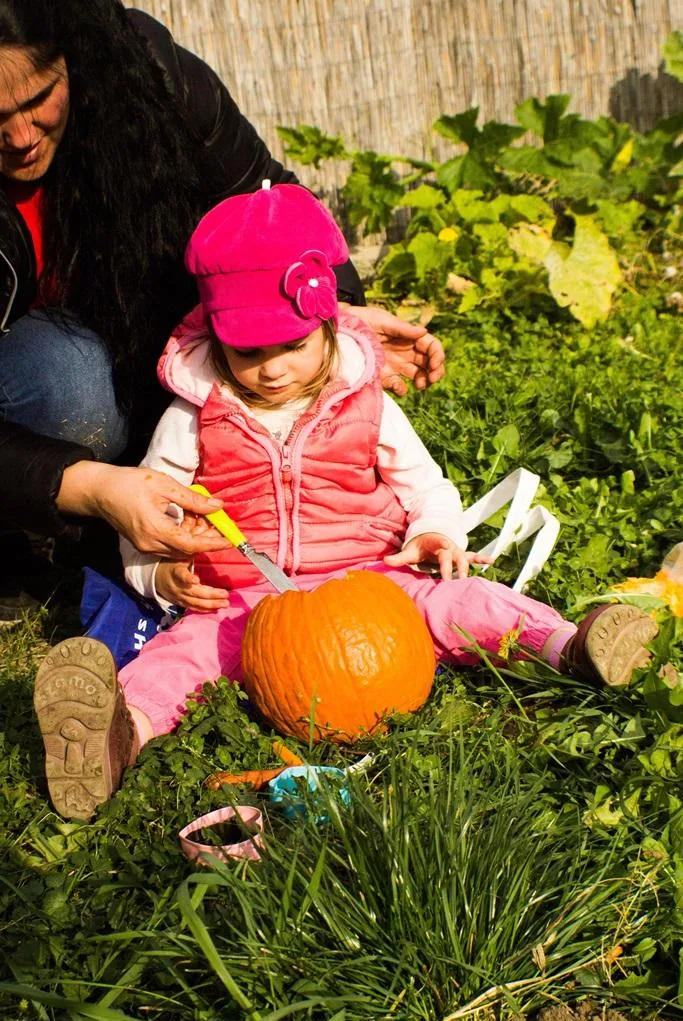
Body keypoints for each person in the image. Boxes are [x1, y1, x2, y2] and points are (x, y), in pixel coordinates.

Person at [33, 183, 659, 820]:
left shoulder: (363, 401)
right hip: (247, 596)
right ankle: (117, 735)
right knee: (184, 653)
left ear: (326, 323)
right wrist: (159, 576)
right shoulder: (194, 415)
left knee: (464, 602)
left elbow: (426, 484)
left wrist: (438, 532)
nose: (273, 370)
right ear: (217, 336)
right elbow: (148, 516)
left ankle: (570, 647)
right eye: (249, 353)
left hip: (375, 579)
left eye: (294, 347)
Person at [0, 0, 445, 617]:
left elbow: (266, 197)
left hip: (158, 346)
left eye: (38, 98)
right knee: (68, 380)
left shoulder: (147, 73)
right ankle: (31, 536)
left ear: (74, 57)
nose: (20, 137)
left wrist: (321, 314)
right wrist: (96, 491)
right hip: (41, 378)